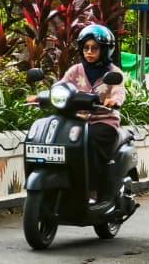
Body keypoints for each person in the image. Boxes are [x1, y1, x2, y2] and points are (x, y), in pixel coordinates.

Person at [50, 24, 126, 213]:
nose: (89, 52)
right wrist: (44, 95)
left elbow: (119, 92)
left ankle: (92, 190)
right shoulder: (75, 70)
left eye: (95, 48)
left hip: (103, 121)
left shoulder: (113, 73)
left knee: (88, 141)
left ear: (105, 50)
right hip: (77, 121)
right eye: (86, 48)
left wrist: (113, 101)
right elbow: (61, 86)